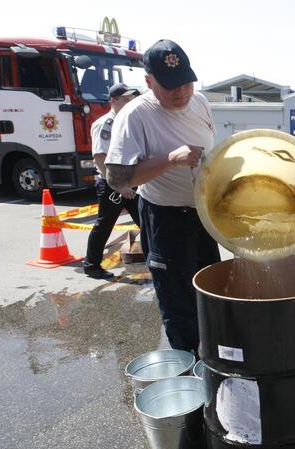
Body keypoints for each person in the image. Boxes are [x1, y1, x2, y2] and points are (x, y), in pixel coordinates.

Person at [105, 39, 220, 353]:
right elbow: (116, 178)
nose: (181, 91)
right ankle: (188, 380)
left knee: (211, 289)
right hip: (166, 218)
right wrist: (171, 158)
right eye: (170, 86)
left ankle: (213, 359)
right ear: (148, 82)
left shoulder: (201, 103)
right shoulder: (135, 116)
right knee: (178, 302)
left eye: (186, 82)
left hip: (203, 214)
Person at [84, 83, 141, 279]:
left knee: (145, 221)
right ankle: (91, 265)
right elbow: (100, 158)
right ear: (113, 101)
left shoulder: (125, 121)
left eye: (131, 99)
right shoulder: (105, 124)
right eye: (125, 99)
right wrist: (120, 186)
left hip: (129, 182)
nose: (130, 102)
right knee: (104, 225)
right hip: (112, 184)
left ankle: (155, 260)